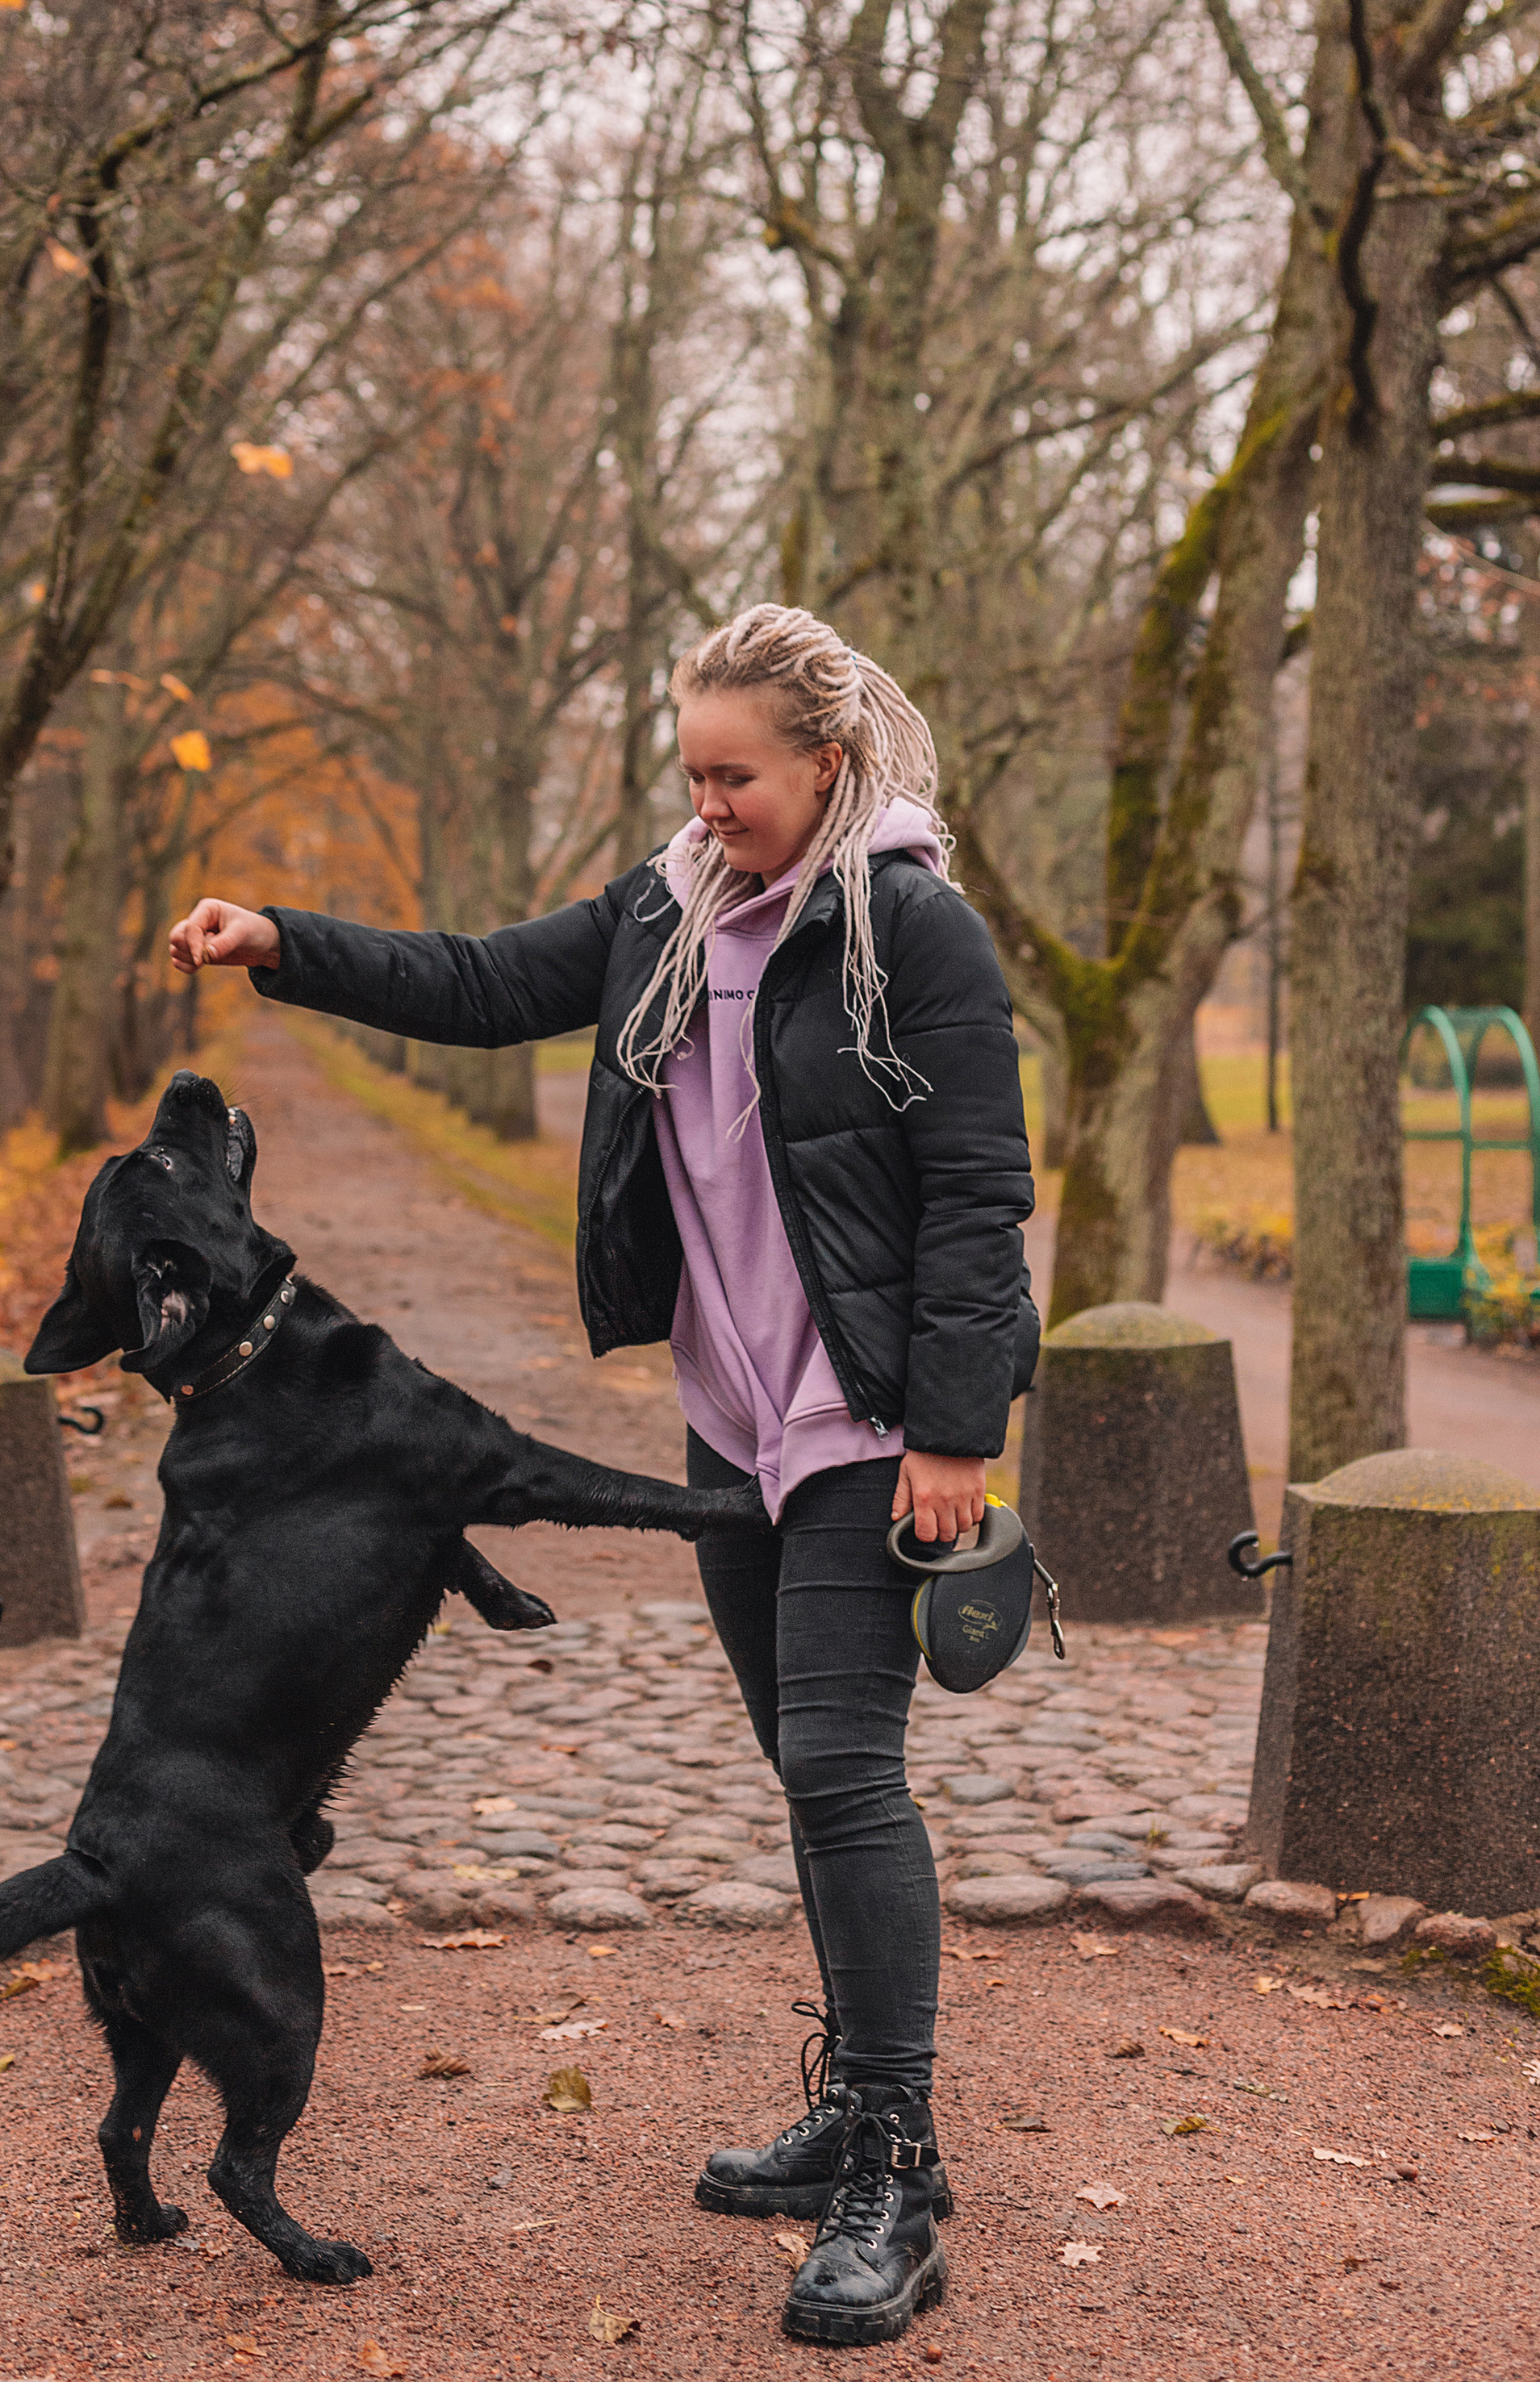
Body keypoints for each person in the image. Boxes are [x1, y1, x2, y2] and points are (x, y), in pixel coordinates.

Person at [168, 601, 1038, 2350]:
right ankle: (856, 2109)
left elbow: (975, 1195)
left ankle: (895, 2168)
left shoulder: (912, 932)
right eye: (691, 773)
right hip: (735, 1421)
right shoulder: (668, 909)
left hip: (870, 1422)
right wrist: (283, 942)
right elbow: (485, 984)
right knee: (803, 1769)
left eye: (738, 778)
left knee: (844, 1770)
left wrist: (957, 1429)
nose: (706, 805)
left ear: (828, 762)